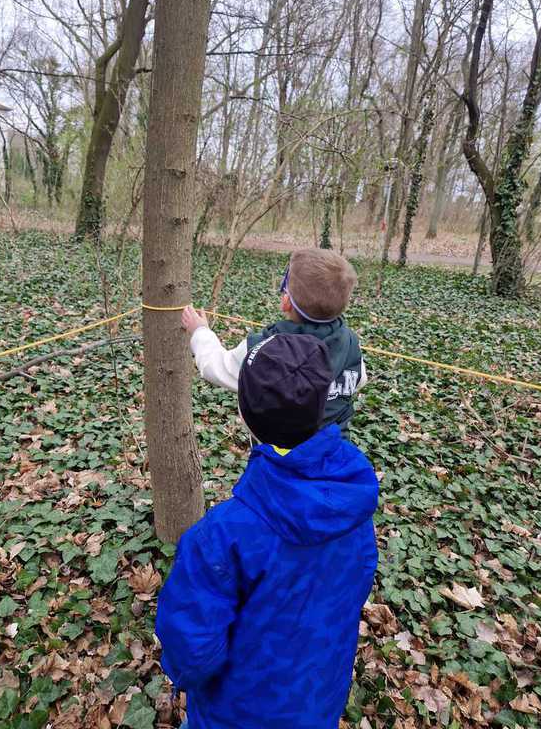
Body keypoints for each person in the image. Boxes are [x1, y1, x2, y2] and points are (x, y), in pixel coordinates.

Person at [155, 334, 379, 729]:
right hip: (318, 699)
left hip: (235, 714)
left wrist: (185, 680)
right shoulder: (353, 497)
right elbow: (357, 581)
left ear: (243, 415)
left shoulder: (221, 536)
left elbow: (192, 652)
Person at [181, 248, 366, 436]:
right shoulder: (350, 341)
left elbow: (216, 367)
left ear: (286, 301)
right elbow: (360, 378)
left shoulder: (263, 348)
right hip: (335, 448)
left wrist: (200, 331)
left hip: (280, 452)